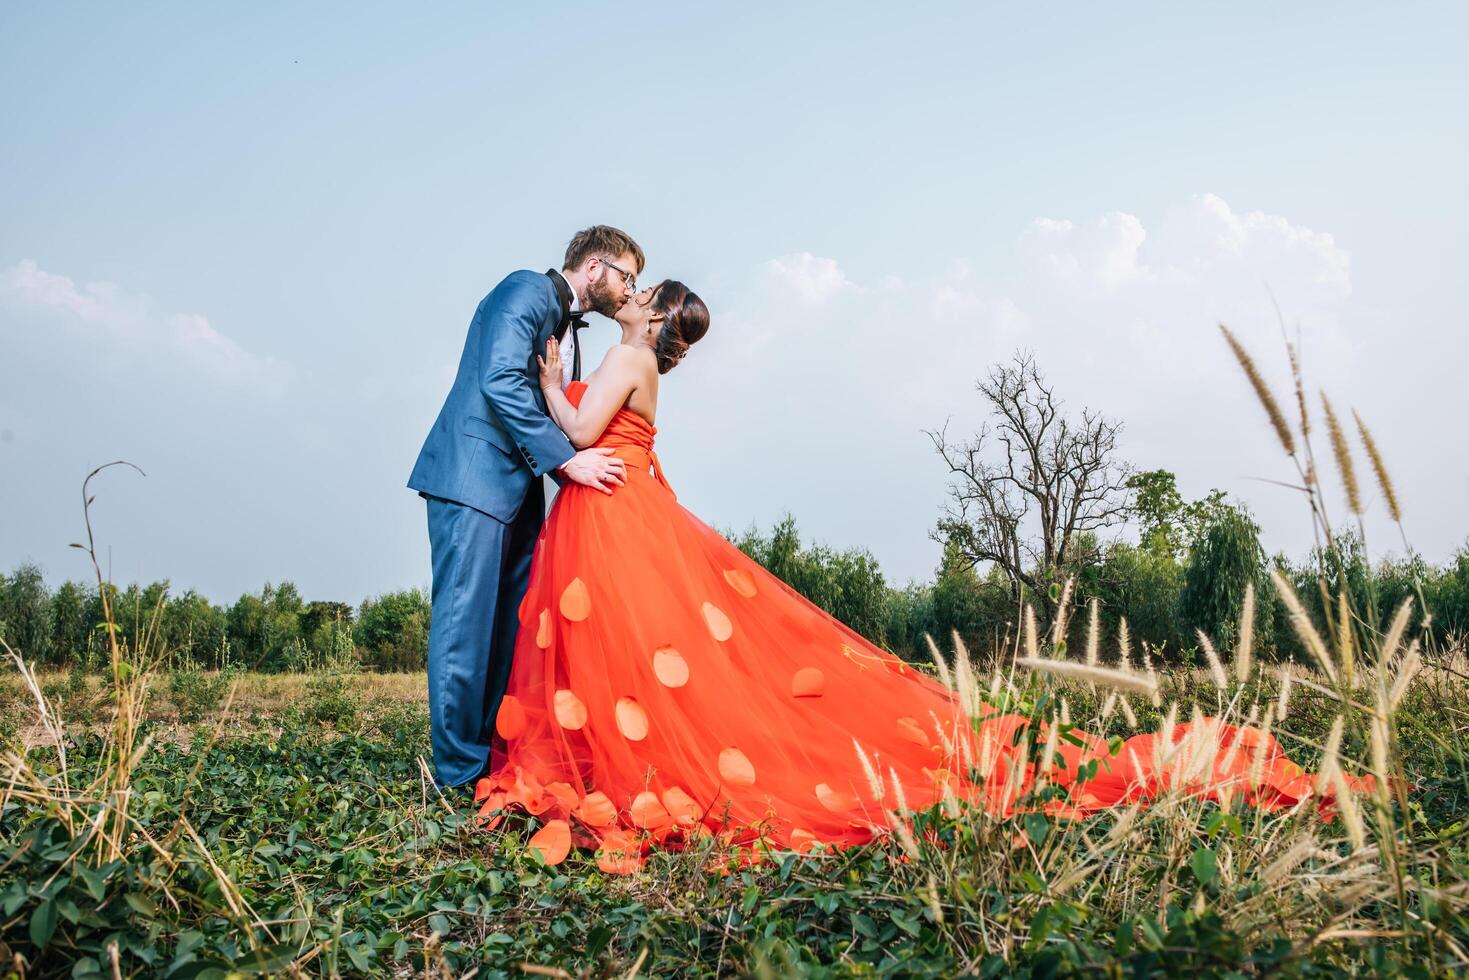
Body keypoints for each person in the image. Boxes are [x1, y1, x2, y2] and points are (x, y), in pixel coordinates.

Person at [473, 280, 1372, 874]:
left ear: (653, 317)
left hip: (611, 514)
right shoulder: (637, 363)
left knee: (622, 644)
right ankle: (622, 753)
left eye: (642, 291)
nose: (629, 295)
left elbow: (584, 436)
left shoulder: (625, 356)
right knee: (644, 646)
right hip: (623, 510)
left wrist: (550, 383)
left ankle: (613, 757)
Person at [407, 226, 642, 792]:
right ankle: (458, 776)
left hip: (518, 492)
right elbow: (500, 380)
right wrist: (567, 465)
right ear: (594, 266)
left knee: (505, 632)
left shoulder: (570, 330)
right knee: (466, 628)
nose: (630, 288)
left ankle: (488, 758)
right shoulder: (525, 289)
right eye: (626, 276)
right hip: (473, 481)